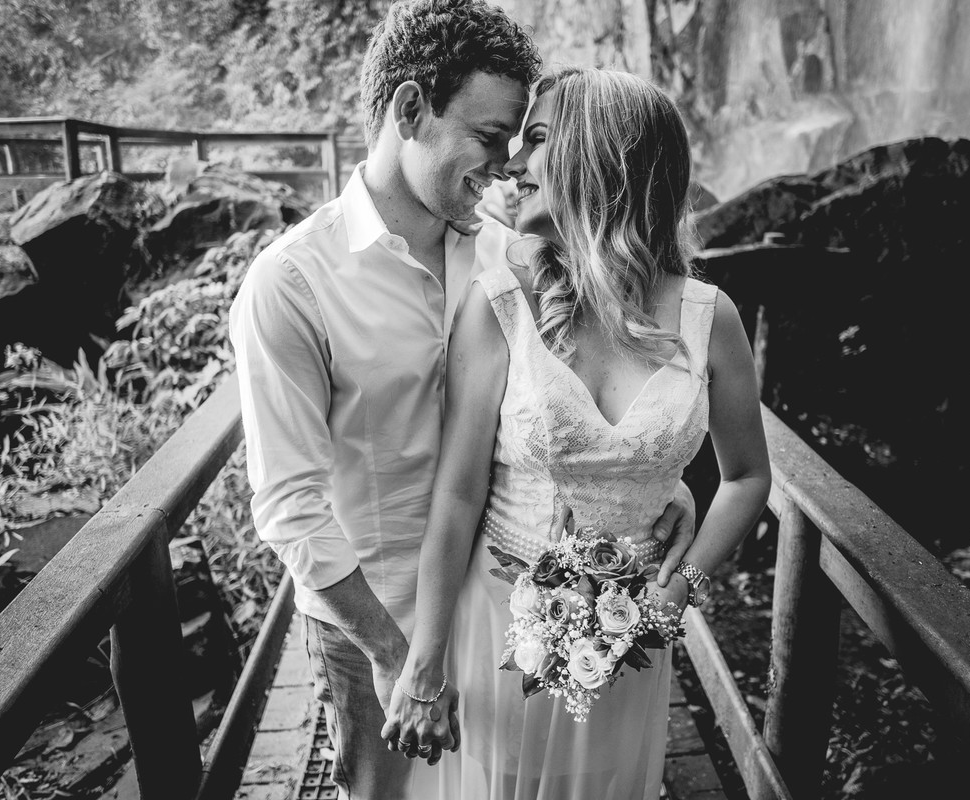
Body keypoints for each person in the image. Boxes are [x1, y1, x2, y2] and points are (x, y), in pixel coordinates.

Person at [228, 4, 696, 798]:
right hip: (372, 619)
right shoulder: (292, 283)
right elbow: (288, 505)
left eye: (518, 141)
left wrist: (655, 484)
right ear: (411, 109)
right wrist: (397, 657)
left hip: (507, 613)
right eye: (489, 137)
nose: (508, 166)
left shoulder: (514, 257)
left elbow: (588, 393)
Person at [381, 67, 772, 799]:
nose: (514, 163)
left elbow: (748, 476)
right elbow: (457, 496)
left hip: (634, 633)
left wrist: (681, 587)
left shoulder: (709, 318)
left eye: (536, 139)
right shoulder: (499, 305)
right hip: (499, 623)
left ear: (603, 157)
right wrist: (424, 661)